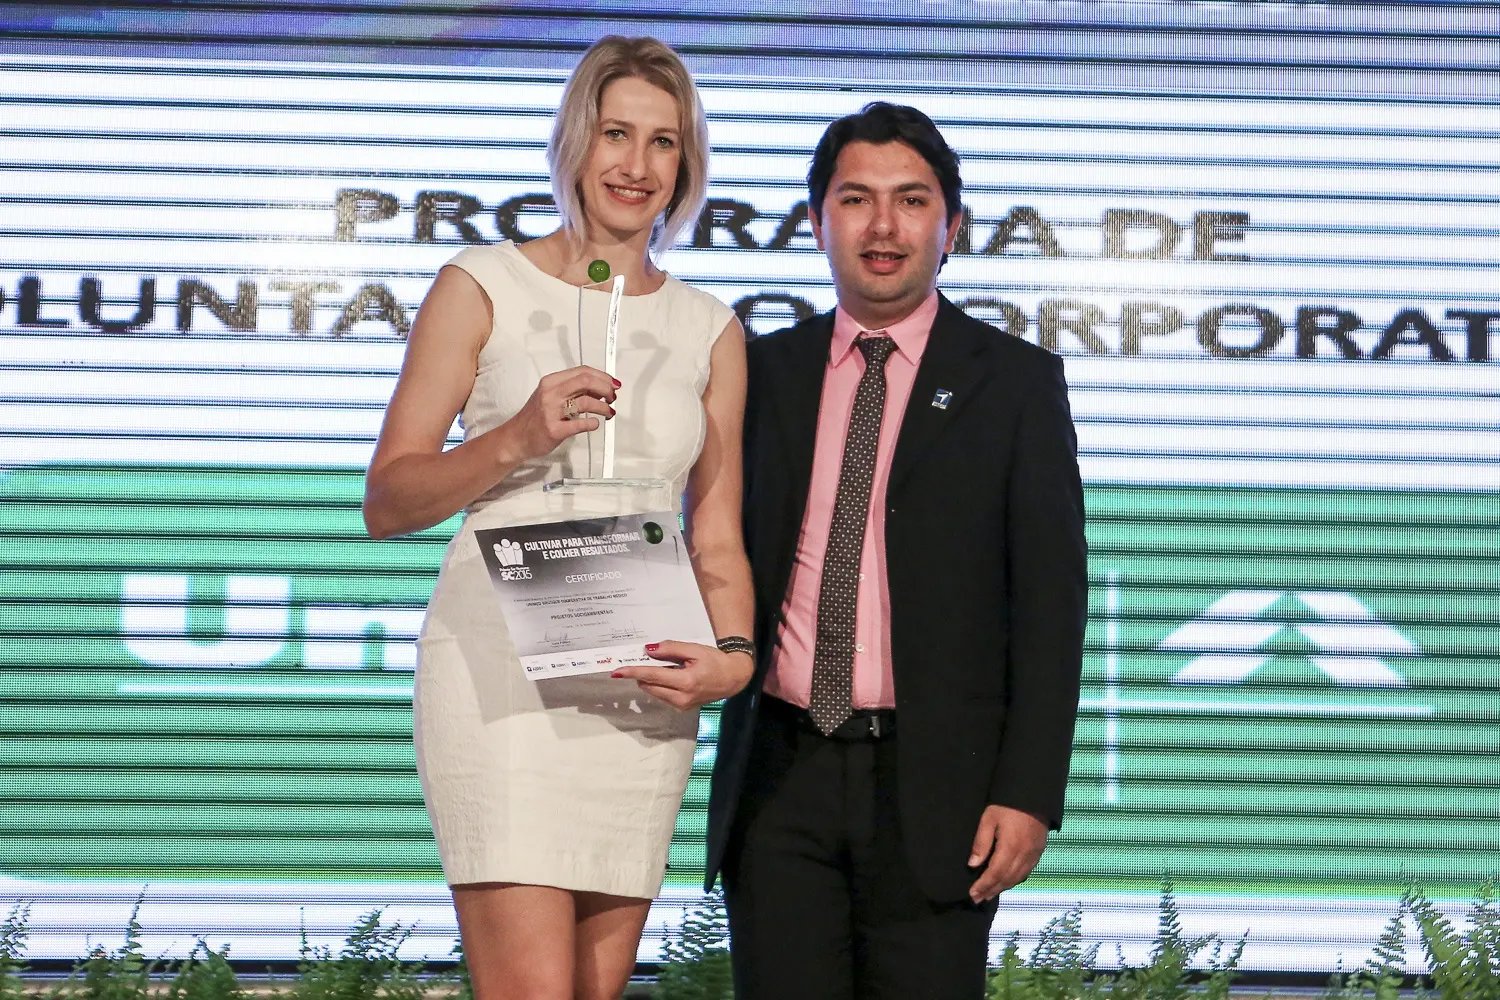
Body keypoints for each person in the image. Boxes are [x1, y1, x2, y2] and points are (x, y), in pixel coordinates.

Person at [363, 35, 754, 1000]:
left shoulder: (710, 327)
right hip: (499, 674)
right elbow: (389, 500)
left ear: (686, 165)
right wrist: (518, 437)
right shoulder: (481, 284)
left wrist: (733, 660)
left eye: (663, 142)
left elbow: (716, 535)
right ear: (575, 141)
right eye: (616, 134)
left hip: (636, 682)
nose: (636, 164)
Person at [705, 102, 1088, 998]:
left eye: (912, 201)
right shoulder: (761, 373)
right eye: (856, 200)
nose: (883, 226)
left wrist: (1029, 792)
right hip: (779, 778)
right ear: (816, 222)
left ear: (950, 228)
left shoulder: (1014, 383)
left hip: (940, 790)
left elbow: (1050, 604)